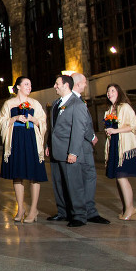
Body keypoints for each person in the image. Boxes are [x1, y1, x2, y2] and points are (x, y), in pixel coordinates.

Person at [0, 76, 47, 223]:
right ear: (18, 86)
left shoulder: (35, 103)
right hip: (16, 139)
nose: (29, 87)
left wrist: (33, 119)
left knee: (34, 174)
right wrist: (15, 118)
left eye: (30, 85)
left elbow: (43, 122)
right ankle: (20, 209)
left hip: (31, 138)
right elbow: (2, 121)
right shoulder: (9, 103)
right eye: (26, 84)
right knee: (17, 174)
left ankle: (33, 210)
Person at [49, 75, 89, 227]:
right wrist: (48, 145)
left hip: (69, 152)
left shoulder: (77, 104)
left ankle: (79, 215)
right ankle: (63, 212)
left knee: (74, 184)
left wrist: (73, 152)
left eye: (57, 83)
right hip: (56, 151)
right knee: (59, 184)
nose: (55, 86)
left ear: (66, 85)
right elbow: (53, 127)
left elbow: (79, 131)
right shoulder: (56, 103)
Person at [72, 73, 110, 225]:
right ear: (78, 84)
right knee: (89, 176)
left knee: (83, 178)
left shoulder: (74, 100)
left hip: (79, 144)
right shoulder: (76, 101)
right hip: (82, 145)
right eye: (84, 82)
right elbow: (84, 123)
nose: (86, 84)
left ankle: (82, 210)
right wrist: (92, 136)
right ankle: (88, 211)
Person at [104, 83, 136, 220]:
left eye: (112, 91)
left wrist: (115, 130)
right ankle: (127, 208)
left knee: (122, 176)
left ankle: (131, 209)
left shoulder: (125, 107)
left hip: (125, 147)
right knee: (118, 178)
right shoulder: (109, 110)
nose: (109, 93)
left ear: (119, 92)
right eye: (108, 91)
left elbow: (134, 126)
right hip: (115, 144)